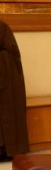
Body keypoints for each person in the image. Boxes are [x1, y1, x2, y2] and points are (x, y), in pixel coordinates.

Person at [0, 20, 28, 160]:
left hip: (6, 79)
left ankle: (8, 150)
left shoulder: (2, 27)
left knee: (9, 114)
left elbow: (12, 52)